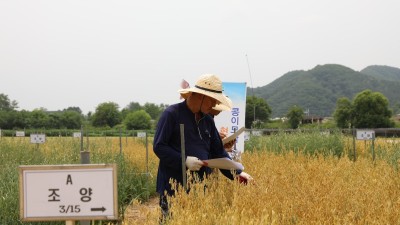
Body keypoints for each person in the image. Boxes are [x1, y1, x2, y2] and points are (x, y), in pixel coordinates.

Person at [153, 74, 253, 218]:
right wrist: (184, 160)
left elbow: (218, 152)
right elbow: (159, 146)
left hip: (199, 187)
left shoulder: (208, 121)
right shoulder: (172, 115)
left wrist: (237, 173)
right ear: (200, 96)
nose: (213, 105)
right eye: (212, 101)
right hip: (173, 187)